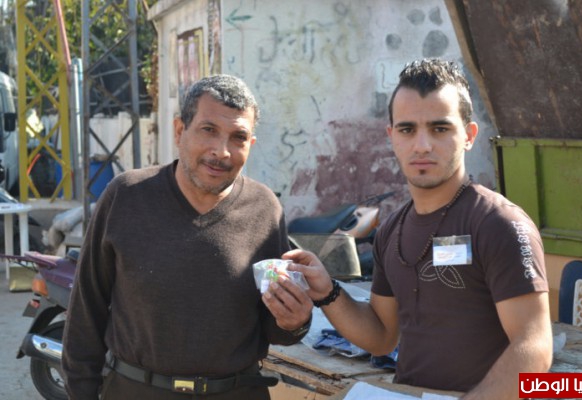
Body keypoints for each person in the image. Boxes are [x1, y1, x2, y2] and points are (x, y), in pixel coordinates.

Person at [276, 59, 553, 399]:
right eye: (407, 130)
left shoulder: (499, 224)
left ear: (468, 135)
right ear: (392, 137)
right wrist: (327, 292)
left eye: (440, 129)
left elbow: (534, 346)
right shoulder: (392, 229)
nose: (422, 145)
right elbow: (382, 337)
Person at [62, 75, 313, 400]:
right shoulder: (126, 196)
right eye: (208, 130)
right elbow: (86, 310)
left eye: (238, 137)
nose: (221, 151)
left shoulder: (264, 209)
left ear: (250, 145)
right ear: (180, 130)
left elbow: (274, 328)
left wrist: (294, 321)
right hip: (136, 391)